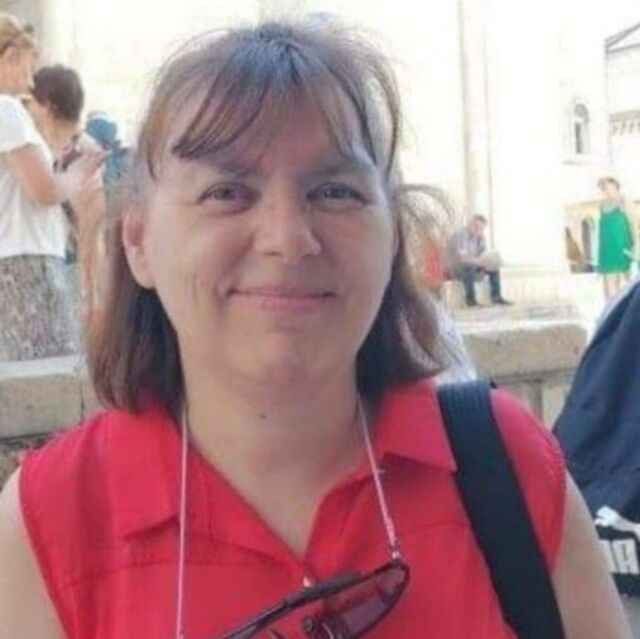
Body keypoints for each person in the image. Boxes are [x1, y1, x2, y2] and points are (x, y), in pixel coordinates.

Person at [0, 18, 631, 639]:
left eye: (334, 192)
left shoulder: (508, 469)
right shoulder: (49, 522)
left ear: (393, 238)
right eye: (226, 192)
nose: (287, 238)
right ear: (138, 241)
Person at [0, 12, 104, 361]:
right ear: (11, 56)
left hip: (16, 257)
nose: (30, 81)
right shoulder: (6, 110)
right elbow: (43, 191)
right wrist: (80, 172)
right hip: (27, 258)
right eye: (29, 66)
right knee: (50, 367)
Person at [446, 214, 511, 307]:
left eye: (480, 229)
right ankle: (471, 301)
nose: (477, 230)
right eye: (475, 227)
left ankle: (496, 297)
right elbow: (463, 258)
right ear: (470, 224)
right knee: (469, 267)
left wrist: (490, 260)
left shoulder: (480, 238)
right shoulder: (460, 236)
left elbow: (482, 255)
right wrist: (480, 262)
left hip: (472, 266)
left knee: (493, 268)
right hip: (455, 268)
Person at [597, 177, 636, 301]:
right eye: (604, 187)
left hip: (622, 245)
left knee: (624, 279)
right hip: (607, 248)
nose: (607, 189)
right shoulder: (602, 205)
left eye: (609, 186)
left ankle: (625, 307)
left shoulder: (624, 201)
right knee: (608, 281)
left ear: (616, 187)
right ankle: (611, 307)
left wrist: (635, 244)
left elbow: (633, 223)